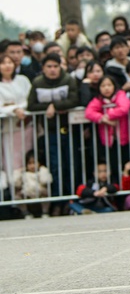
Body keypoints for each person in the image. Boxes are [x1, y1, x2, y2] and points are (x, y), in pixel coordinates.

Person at [26, 53, 79, 203]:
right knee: (55, 166)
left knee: (71, 164)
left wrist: (55, 106)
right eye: (49, 67)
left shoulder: (68, 79)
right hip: (50, 131)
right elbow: (31, 105)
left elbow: (75, 100)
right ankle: (58, 199)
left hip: (68, 129)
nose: (53, 70)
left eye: (56, 66)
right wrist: (47, 107)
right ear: (43, 68)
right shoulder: (37, 82)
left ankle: (73, 197)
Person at [84, 75, 130, 177]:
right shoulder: (99, 99)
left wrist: (108, 115)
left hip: (124, 138)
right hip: (108, 140)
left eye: (109, 85)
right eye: (103, 86)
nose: (106, 88)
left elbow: (124, 108)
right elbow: (88, 112)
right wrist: (102, 119)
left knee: (126, 163)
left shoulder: (120, 94)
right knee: (113, 165)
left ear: (114, 86)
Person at [0, 54, 33, 174]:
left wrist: (18, 107)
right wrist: (13, 109)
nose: (7, 66)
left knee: (28, 155)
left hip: (27, 125)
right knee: (11, 159)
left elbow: (30, 98)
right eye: (3, 63)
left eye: (10, 62)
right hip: (9, 128)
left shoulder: (22, 80)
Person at [13, 150, 52, 218]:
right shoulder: (24, 174)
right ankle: (26, 213)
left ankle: (45, 212)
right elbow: (15, 183)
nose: (32, 166)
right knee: (17, 196)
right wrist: (19, 171)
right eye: (29, 163)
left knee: (46, 193)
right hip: (27, 195)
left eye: (34, 163)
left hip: (39, 194)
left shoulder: (41, 172)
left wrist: (43, 169)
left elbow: (45, 181)